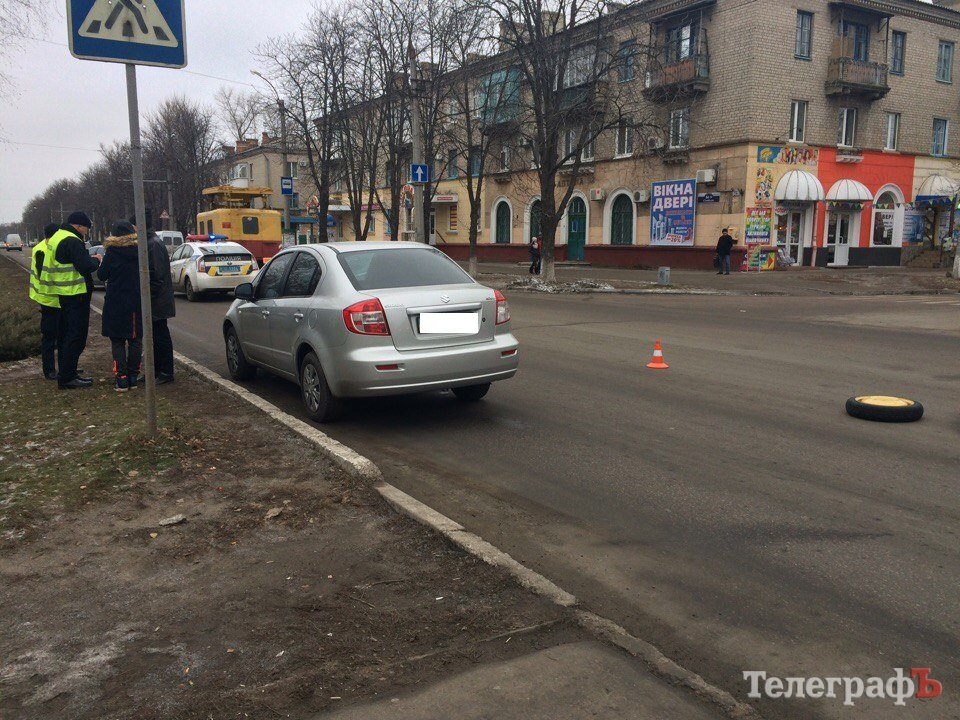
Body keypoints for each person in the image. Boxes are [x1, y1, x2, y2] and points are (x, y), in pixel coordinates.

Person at [40, 211, 99, 389]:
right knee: (76, 336)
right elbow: (85, 267)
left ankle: (68, 373)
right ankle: (67, 378)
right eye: (86, 228)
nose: (87, 232)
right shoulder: (72, 240)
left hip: (63, 294)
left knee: (66, 335)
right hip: (76, 294)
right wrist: (96, 260)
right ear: (79, 226)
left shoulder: (58, 236)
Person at [97, 221, 143, 393]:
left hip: (115, 301)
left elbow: (101, 275)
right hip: (137, 300)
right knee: (135, 339)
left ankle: (121, 379)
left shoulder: (112, 252)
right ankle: (133, 377)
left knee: (117, 340)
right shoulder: (140, 251)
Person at [131, 215, 176, 385]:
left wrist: (146, 297)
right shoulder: (149, 242)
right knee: (153, 337)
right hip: (155, 299)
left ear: (138, 226)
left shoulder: (153, 244)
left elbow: (156, 277)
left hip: (157, 301)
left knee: (160, 337)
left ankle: (166, 372)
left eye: (133, 227)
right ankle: (156, 371)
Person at [29, 223, 66, 380]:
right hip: (49, 299)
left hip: (58, 299)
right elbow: (44, 275)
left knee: (63, 335)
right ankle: (49, 370)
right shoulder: (42, 250)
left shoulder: (49, 247)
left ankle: (65, 367)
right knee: (50, 337)